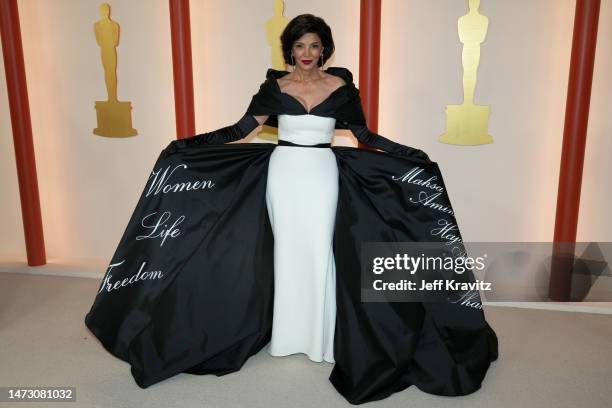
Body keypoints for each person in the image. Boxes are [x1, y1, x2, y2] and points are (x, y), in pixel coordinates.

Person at [85, 13, 498, 405]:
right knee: (285, 252)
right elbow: (241, 129)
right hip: (283, 175)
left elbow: (365, 135)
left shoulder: (340, 89)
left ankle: (320, 338)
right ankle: (286, 335)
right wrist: (188, 145)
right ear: (289, 49)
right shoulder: (274, 87)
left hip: (322, 174)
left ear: (324, 50)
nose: (307, 52)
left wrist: (411, 154)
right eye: (300, 45)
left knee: (320, 250)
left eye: (314, 45)